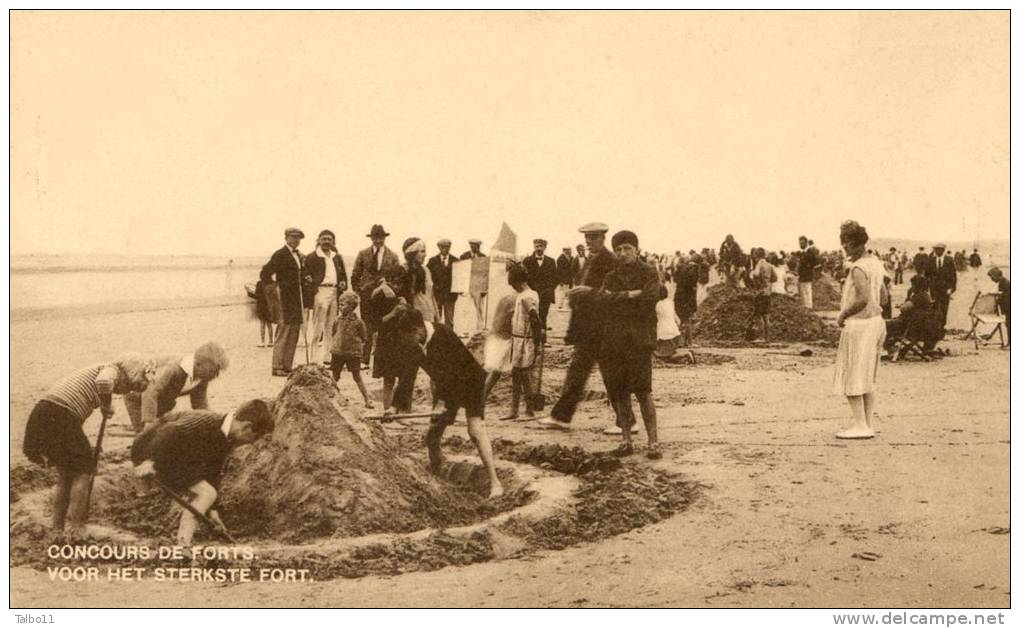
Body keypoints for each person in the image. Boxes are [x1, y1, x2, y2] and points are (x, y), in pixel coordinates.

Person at [23, 353, 155, 541]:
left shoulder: (102, 372)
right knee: (84, 471)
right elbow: (103, 383)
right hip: (59, 414)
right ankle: (78, 528)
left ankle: (57, 529)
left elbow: (74, 417)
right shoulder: (112, 369)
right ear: (130, 373)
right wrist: (106, 404)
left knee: (66, 475)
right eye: (131, 385)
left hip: (45, 413)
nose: (125, 392)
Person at [131, 399, 274, 547]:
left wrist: (212, 510)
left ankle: (183, 541)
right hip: (148, 449)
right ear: (246, 427)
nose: (252, 443)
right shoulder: (206, 422)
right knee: (206, 494)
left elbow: (212, 472)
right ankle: (183, 544)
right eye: (254, 437)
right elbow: (167, 432)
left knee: (207, 493)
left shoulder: (227, 439)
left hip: (172, 456)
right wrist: (148, 460)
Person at [396, 309, 504, 498]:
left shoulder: (442, 335)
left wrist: (442, 404)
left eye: (407, 336)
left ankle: (495, 483)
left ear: (418, 329)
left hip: (469, 380)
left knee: (475, 431)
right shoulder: (415, 343)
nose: (406, 341)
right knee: (432, 436)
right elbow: (407, 374)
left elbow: (451, 373)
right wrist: (394, 407)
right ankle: (436, 480)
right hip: (447, 387)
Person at [537, 222, 618, 431]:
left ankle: (625, 421)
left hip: (600, 327)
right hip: (587, 327)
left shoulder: (610, 260)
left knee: (606, 373)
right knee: (580, 372)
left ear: (602, 238)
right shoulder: (591, 259)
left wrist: (587, 291)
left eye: (592, 238)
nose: (588, 242)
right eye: (587, 238)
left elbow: (612, 292)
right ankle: (561, 416)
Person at [597, 230, 661, 459]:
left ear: (637, 250)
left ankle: (653, 443)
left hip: (640, 341)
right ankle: (626, 441)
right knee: (620, 393)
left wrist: (621, 299)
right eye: (619, 249)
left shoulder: (649, 272)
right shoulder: (611, 276)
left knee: (644, 392)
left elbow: (650, 299)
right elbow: (603, 302)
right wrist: (629, 295)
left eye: (627, 248)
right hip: (615, 342)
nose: (623, 253)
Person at [832, 220, 888, 440]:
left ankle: (859, 425)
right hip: (876, 323)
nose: (845, 249)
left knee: (852, 374)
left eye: (846, 245)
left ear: (855, 244)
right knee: (867, 375)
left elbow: (863, 299)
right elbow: (882, 296)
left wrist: (844, 314)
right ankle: (866, 422)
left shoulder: (858, 268)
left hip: (860, 326)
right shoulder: (876, 263)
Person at [123, 342, 229, 433]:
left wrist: (215, 423)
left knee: (164, 433)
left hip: (163, 401)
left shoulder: (202, 378)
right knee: (146, 438)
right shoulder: (175, 368)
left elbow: (200, 405)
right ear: (198, 364)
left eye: (218, 372)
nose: (216, 376)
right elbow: (150, 392)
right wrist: (148, 422)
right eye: (213, 371)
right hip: (138, 398)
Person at [351, 224, 401, 366]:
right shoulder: (363, 254)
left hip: (385, 296)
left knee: (385, 325)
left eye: (380, 238)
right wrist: (358, 291)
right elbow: (355, 274)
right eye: (375, 238)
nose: (378, 241)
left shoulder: (393, 256)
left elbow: (397, 277)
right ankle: (364, 359)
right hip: (367, 295)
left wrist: (388, 287)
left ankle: (384, 359)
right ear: (371, 238)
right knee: (367, 326)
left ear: (384, 238)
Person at [259, 228, 306, 376]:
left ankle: (287, 365)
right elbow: (265, 273)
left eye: (298, 238)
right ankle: (277, 366)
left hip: (297, 299)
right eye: (293, 237)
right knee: (284, 331)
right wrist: (277, 288)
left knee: (294, 331)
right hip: (285, 299)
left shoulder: (298, 255)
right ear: (286, 238)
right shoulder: (280, 254)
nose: (296, 240)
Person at [500, 264, 543, 421]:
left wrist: (537, 344)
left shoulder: (527, 296)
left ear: (519, 282)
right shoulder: (525, 294)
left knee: (525, 376)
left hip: (526, 340)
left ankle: (530, 412)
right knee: (516, 375)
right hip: (518, 340)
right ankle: (514, 410)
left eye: (513, 284)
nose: (513, 288)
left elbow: (535, 319)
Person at [371, 266, 414, 415]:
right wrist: (393, 313)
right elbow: (375, 323)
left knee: (404, 376)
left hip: (402, 341)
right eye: (395, 283)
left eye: (401, 283)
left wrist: (405, 307)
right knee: (388, 378)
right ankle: (387, 409)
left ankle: (402, 409)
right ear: (388, 281)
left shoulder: (403, 294)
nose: (398, 286)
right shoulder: (379, 296)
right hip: (386, 341)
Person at [304, 229, 349, 365]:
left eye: (329, 239)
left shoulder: (337, 257)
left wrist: (343, 283)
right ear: (319, 240)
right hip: (320, 291)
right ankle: (313, 358)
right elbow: (305, 275)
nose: (326, 242)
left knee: (331, 326)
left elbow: (342, 275)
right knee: (318, 326)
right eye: (324, 239)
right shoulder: (312, 257)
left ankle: (327, 357)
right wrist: (313, 289)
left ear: (333, 241)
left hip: (334, 292)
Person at [330, 293, 373, 407]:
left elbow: (364, 337)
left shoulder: (358, 322)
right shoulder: (337, 320)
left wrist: (357, 348)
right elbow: (333, 333)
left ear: (351, 306)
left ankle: (367, 399)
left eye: (343, 305)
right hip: (338, 352)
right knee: (335, 376)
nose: (340, 307)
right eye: (339, 304)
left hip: (353, 354)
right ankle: (330, 397)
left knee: (357, 376)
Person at [522, 238, 558, 330]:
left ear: (545, 247)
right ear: (534, 247)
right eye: (537, 246)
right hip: (531, 293)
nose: (538, 248)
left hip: (545, 294)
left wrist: (549, 289)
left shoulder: (551, 261)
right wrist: (528, 290)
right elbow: (523, 277)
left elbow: (555, 278)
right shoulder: (527, 260)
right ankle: (531, 338)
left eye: (541, 246)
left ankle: (543, 339)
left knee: (543, 316)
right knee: (531, 316)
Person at [427, 239, 457, 326]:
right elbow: (428, 277)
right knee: (437, 319)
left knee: (450, 320)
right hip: (437, 295)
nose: (445, 249)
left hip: (450, 295)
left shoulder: (456, 261)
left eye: (447, 247)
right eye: (442, 247)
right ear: (439, 247)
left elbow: (460, 278)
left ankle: (450, 338)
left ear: (450, 247)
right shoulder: (432, 261)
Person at [748, 248, 776, 342]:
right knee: (766, 315)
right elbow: (775, 278)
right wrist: (767, 282)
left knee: (759, 315)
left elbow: (755, 274)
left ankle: (760, 337)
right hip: (768, 292)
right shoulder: (770, 265)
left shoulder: (759, 264)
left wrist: (757, 282)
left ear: (756, 256)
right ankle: (767, 337)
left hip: (760, 292)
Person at [461, 238, 488, 331]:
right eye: (473, 245)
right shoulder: (464, 256)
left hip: (478, 287)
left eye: (477, 245)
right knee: (466, 308)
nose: (476, 247)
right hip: (467, 286)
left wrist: (485, 289)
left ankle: (479, 327)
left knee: (479, 308)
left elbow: (485, 274)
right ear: (470, 245)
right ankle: (466, 329)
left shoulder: (483, 257)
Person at [928, 242, 957, 328]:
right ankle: (935, 325)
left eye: (940, 249)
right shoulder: (931, 260)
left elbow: (953, 275)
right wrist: (928, 288)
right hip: (934, 289)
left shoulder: (949, 260)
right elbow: (927, 275)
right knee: (934, 306)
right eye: (936, 249)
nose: (938, 251)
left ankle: (943, 325)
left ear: (943, 250)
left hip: (945, 289)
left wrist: (951, 288)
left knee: (944, 307)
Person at [673, 254, 699, 348]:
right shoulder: (693, 269)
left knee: (680, 320)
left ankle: (678, 342)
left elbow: (676, 281)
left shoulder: (679, 270)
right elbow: (691, 287)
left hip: (678, 297)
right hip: (686, 298)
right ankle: (689, 342)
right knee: (687, 321)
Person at [655, 285, 683, 358]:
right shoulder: (670, 302)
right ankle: (685, 354)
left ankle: (686, 354)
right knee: (670, 352)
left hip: (664, 333)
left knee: (664, 355)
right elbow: (677, 319)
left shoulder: (658, 305)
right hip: (673, 331)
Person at [988, 267, 1010, 347]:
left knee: (1009, 324)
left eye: (992, 277)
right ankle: (1009, 342)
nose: (992, 280)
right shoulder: (1003, 282)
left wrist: (999, 297)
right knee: (1008, 324)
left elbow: (1006, 296)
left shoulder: (1005, 283)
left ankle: (1010, 343)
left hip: (1009, 307)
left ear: (997, 276)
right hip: (1008, 307)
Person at [797, 235, 819, 309]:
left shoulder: (810, 252)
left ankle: (809, 308)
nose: (800, 245)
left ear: (806, 243)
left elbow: (815, 262)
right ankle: (806, 307)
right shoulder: (802, 252)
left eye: (802, 243)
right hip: (802, 275)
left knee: (807, 292)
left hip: (807, 275)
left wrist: (809, 266)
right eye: (800, 243)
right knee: (804, 293)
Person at [253, 280, 274, 347]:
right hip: (269, 306)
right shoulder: (272, 283)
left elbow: (256, 295)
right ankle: (271, 341)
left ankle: (262, 341)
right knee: (269, 324)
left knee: (262, 324)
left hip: (261, 306)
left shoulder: (259, 283)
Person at [556, 246, 574, 311]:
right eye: (569, 250)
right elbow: (558, 270)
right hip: (563, 279)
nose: (570, 251)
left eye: (570, 250)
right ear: (565, 250)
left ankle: (566, 306)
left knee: (568, 292)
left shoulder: (571, 258)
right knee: (562, 292)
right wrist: (560, 280)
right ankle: (560, 306)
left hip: (569, 278)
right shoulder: (560, 259)